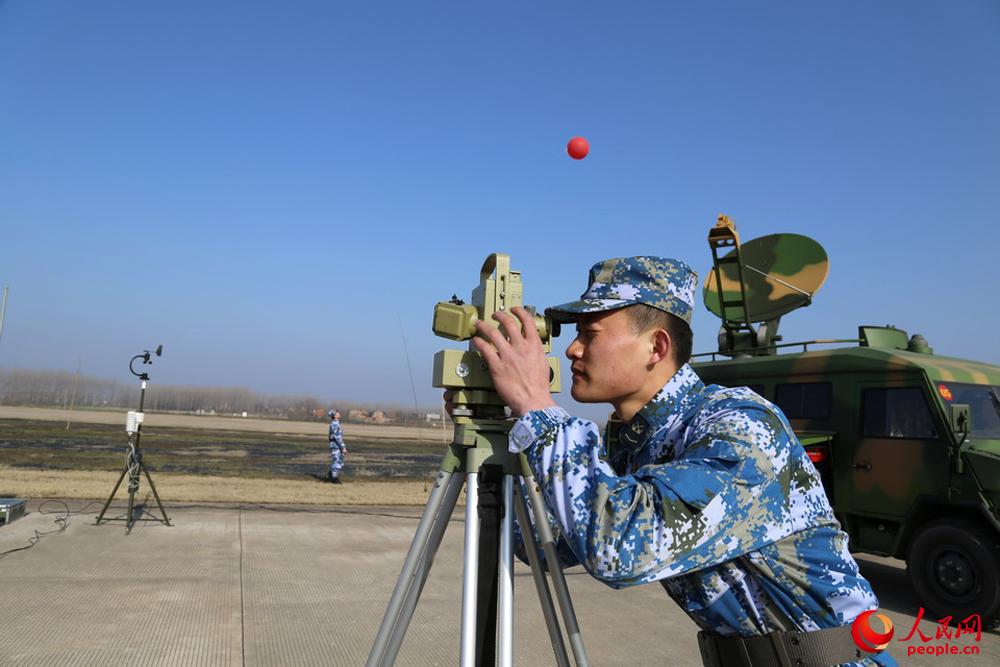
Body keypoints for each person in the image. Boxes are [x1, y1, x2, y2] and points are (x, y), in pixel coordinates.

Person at [454, 256, 895, 667]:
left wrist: (537, 406)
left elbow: (620, 550)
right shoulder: (634, 443)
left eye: (590, 334)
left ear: (656, 347)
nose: (571, 351)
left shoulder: (740, 426)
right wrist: (502, 429)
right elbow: (542, 543)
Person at [327, 409, 347, 484]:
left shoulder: (336, 424)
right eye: (337, 413)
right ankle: (334, 478)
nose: (339, 413)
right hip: (336, 446)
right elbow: (337, 437)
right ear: (335, 416)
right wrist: (343, 447)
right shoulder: (334, 425)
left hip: (337, 446)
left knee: (340, 462)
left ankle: (331, 475)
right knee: (337, 461)